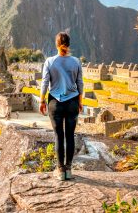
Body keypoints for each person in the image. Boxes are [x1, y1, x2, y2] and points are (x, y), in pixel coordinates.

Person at [40, 32, 83, 181]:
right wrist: (80, 101)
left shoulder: (50, 61)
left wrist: (41, 100)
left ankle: (60, 170)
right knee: (70, 135)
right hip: (72, 102)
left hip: (55, 103)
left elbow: (45, 82)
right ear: (68, 44)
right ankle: (69, 169)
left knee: (59, 135)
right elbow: (80, 82)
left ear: (56, 44)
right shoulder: (76, 61)